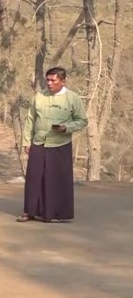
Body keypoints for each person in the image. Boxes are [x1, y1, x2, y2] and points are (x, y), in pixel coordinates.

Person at [18, 67, 88, 223]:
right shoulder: (39, 97)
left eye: (53, 80)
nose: (49, 83)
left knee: (56, 179)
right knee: (34, 178)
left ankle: (56, 213)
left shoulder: (73, 98)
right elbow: (30, 120)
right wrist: (26, 141)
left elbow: (82, 121)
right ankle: (29, 211)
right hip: (39, 142)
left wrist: (66, 127)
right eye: (47, 80)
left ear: (63, 81)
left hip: (60, 143)